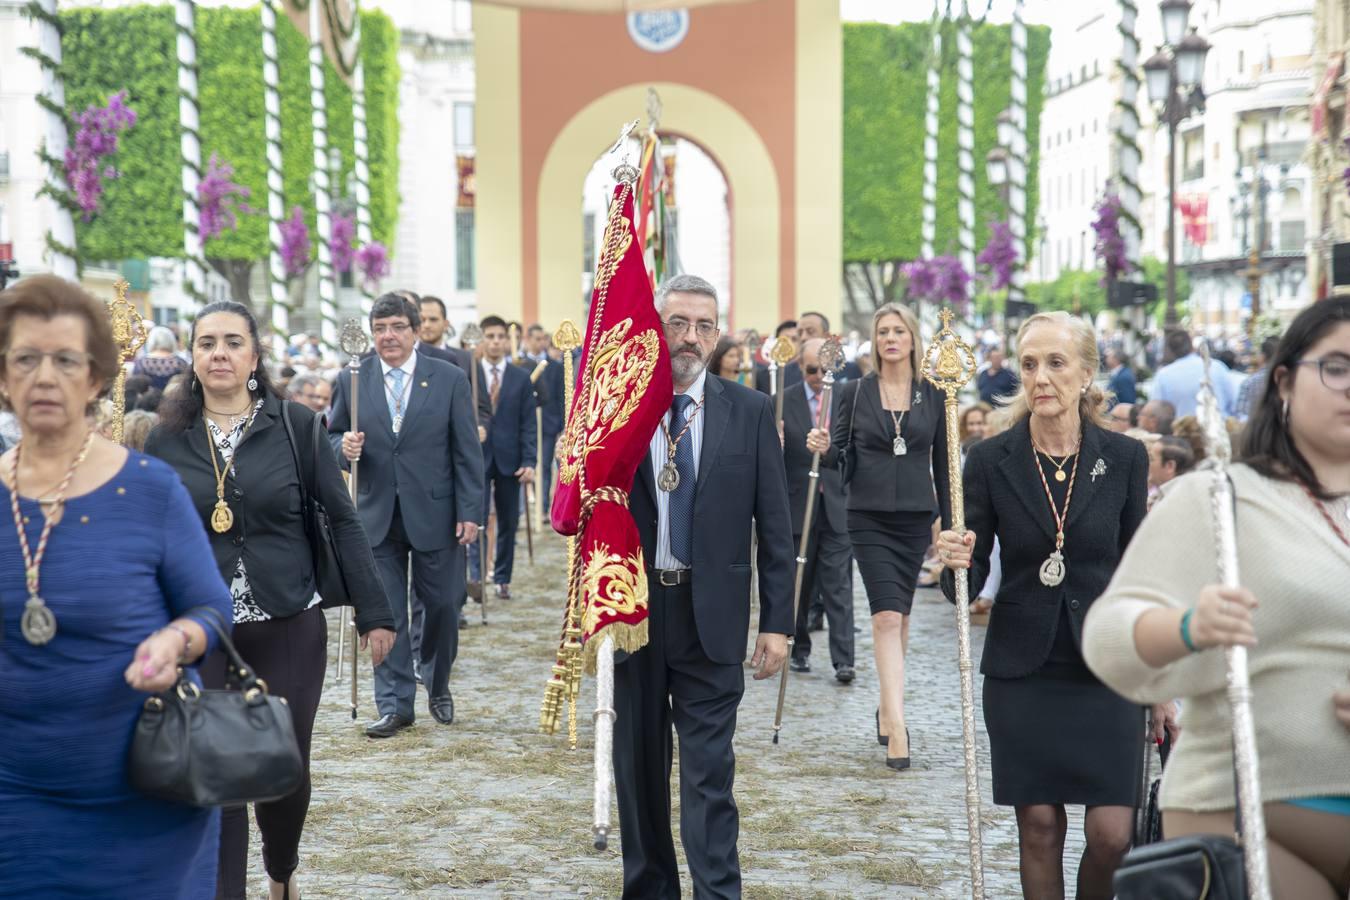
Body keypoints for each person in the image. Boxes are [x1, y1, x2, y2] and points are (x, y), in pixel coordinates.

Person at [1084, 297, 1350, 899]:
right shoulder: (1222, 497)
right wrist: (1185, 627)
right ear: (1283, 381)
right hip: (1248, 818)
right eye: (1336, 367)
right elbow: (1109, 638)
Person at [146, 300, 396, 900]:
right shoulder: (167, 438)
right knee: (219, 769)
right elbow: (147, 535)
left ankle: (281, 869)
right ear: (193, 358)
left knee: (282, 768)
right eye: (207, 343)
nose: (220, 354)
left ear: (255, 356)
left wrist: (375, 611)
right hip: (202, 629)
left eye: (233, 342)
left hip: (287, 618)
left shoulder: (296, 427)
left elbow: (343, 519)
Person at [0, 275, 232, 898]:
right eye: (25, 359)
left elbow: (211, 609)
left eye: (66, 360)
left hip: (145, 794)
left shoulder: (150, 490)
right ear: (2, 378)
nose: (44, 376)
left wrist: (176, 644)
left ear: (96, 378)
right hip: (14, 798)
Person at [935, 310, 1171, 900]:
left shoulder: (1124, 458)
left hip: (1108, 666)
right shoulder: (991, 460)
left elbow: (1137, 573)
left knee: (1112, 834)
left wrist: (1160, 681)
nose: (1041, 377)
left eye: (1056, 363)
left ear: (1087, 374)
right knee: (1039, 827)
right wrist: (953, 560)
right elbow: (967, 574)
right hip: (1023, 667)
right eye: (1030, 364)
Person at [616, 273, 793, 899]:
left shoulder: (748, 411)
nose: (690, 338)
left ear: (718, 335)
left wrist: (777, 621)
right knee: (637, 770)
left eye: (704, 326)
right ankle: (650, 889)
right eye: (678, 323)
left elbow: (775, 526)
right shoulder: (619, 407)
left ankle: (718, 892)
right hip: (633, 615)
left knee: (708, 774)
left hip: (711, 613)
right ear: (654, 327)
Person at [331, 293, 482, 737]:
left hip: (437, 511)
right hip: (377, 514)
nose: (388, 336)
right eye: (380, 328)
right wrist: (342, 448)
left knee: (442, 605)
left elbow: (466, 451)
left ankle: (436, 680)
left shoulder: (449, 378)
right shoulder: (353, 379)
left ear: (415, 331)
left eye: (397, 326)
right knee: (385, 612)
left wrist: (470, 510)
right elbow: (331, 435)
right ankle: (395, 703)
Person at [814, 302, 950, 770]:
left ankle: (887, 705)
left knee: (902, 617)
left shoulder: (934, 395)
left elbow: (945, 469)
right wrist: (826, 449)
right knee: (886, 618)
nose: (891, 338)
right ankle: (898, 725)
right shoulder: (854, 391)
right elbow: (843, 459)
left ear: (913, 338)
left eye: (898, 331)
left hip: (914, 517)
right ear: (874, 340)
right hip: (867, 515)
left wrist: (950, 524)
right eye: (883, 331)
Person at [782, 338, 855, 682]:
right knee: (799, 581)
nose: (819, 376)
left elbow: (850, 449)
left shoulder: (845, 397)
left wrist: (830, 451)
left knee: (838, 584)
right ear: (800, 366)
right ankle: (799, 648)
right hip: (797, 503)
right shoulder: (782, 401)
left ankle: (844, 660)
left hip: (837, 502)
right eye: (813, 370)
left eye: (826, 370)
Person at [467, 314, 536, 599]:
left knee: (508, 520)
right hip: (476, 458)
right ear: (482, 340)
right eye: (490, 336)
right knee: (476, 518)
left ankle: (503, 578)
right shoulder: (468, 375)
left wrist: (530, 461)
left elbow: (528, 423)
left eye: (500, 337)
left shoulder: (520, 378)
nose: (495, 342)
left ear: (508, 341)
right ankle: (476, 577)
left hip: (510, 459)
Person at [1153, 329, 1236, 418]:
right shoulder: (1217, 367)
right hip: (1217, 427)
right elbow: (1233, 402)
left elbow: (1156, 409)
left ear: (1169, 350)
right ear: (1192, 346)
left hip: (1182, 429)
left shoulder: (1163, 375)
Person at [1234, 334, 1279, 422]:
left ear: (1262, 356)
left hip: (1257, 430)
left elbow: (1241, 415)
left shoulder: (1250, 382)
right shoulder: (1289, 379)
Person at [132, 325, 190, 391]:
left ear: (151, 340)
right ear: (171, 341)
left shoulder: (142, 363)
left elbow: (135, 388)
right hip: (174, 400)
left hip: (148, 401)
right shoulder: (180, 362)